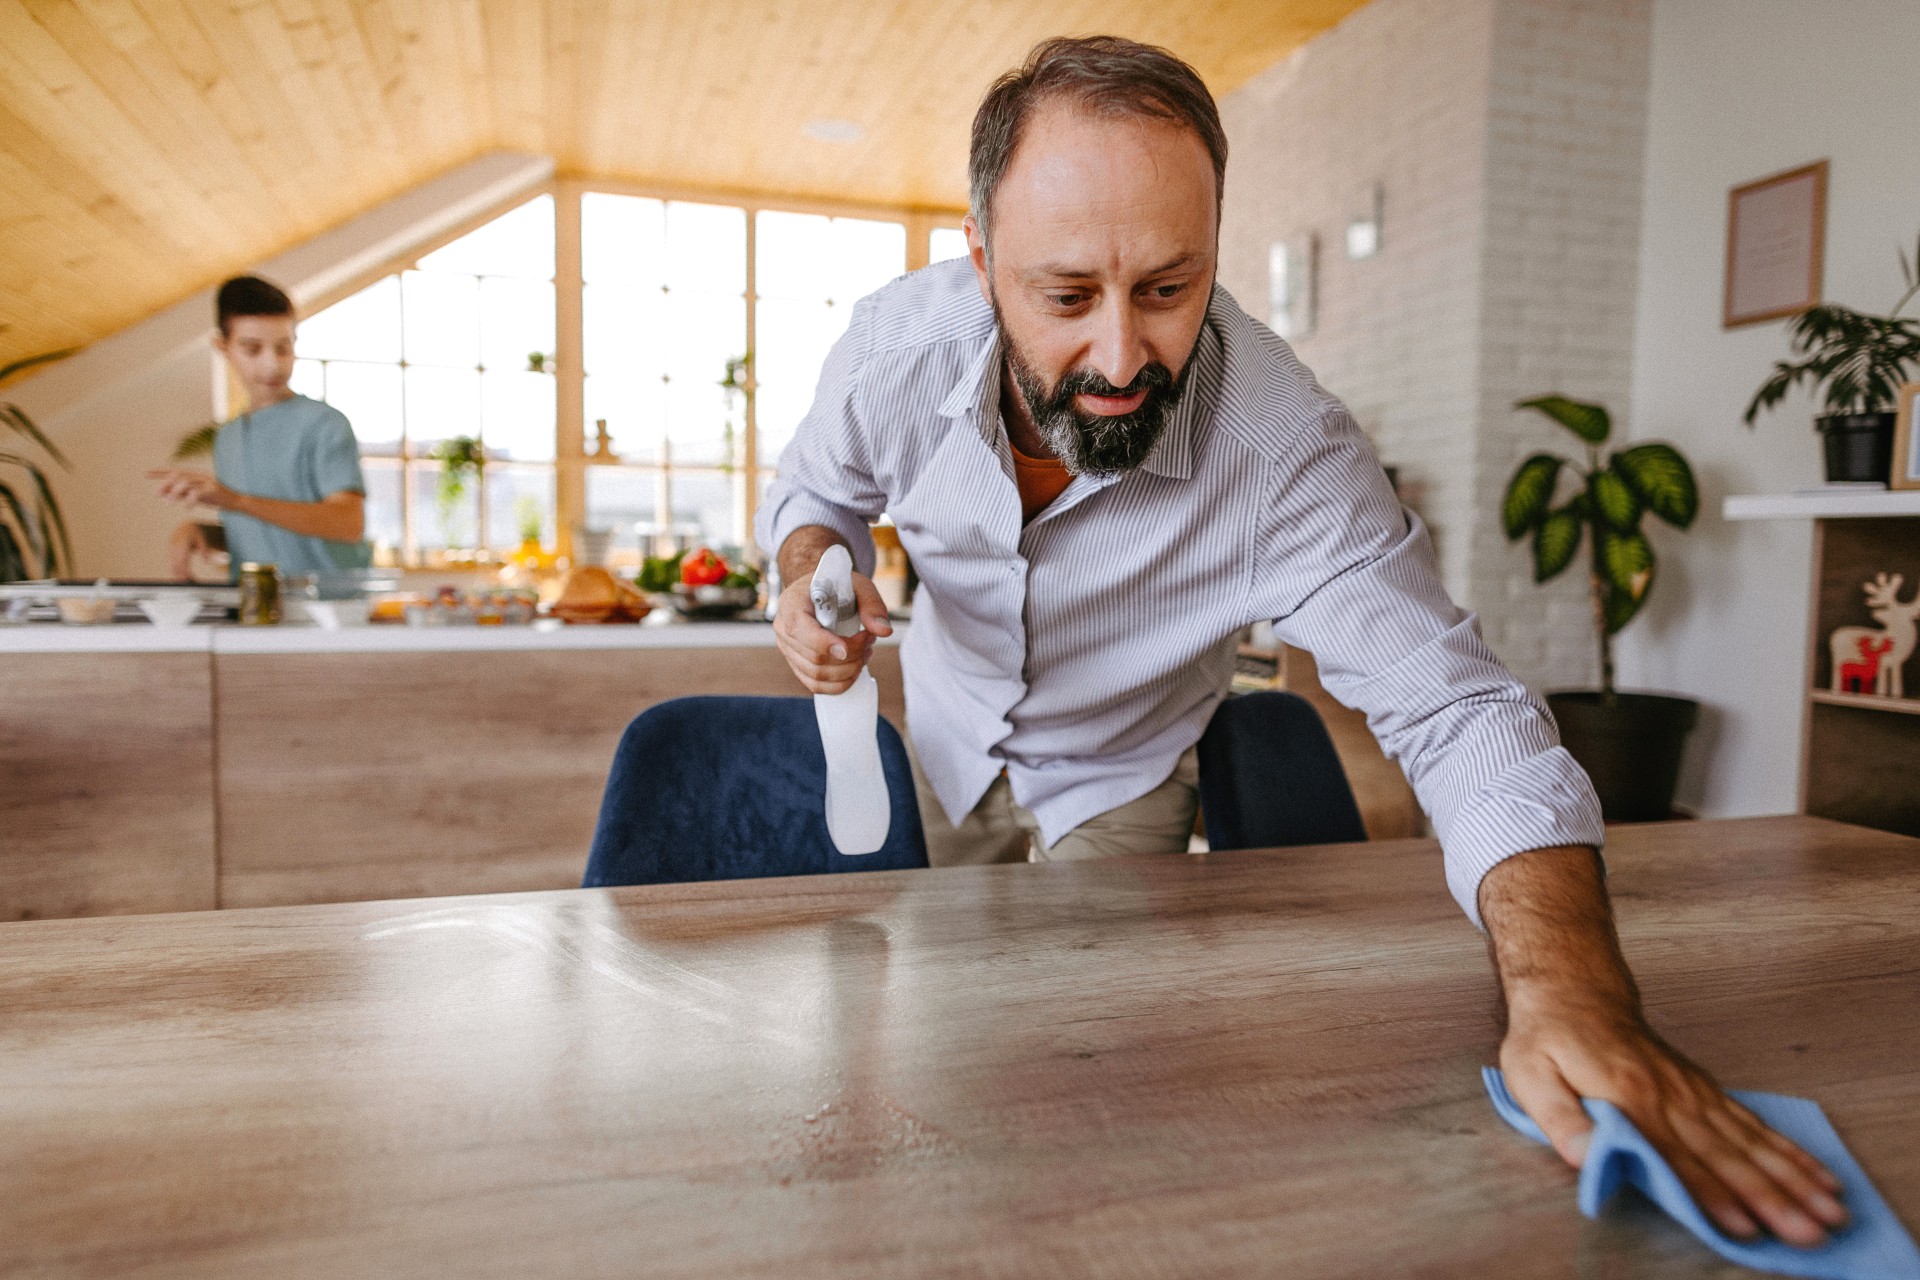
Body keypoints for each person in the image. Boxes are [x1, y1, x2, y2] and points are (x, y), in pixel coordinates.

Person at [759, 35, 1848, 1249]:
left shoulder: (1287, 451)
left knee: (1090, 1087)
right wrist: (807, 578)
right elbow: (818, 489)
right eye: (1066, 296)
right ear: (981, 264)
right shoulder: (892, 352)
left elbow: (1460, 712)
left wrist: (1577, 994)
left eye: (1169, 288)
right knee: (941, 1058)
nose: (1121, 357)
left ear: (1215, 249)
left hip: (1123, 777)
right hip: (946, 736)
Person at [152, 276, 369, 580]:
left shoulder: (324, 425)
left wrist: (235, 501)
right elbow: (260, 536)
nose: (272, 365)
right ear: (222, 347)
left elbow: (348, 524)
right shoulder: (227, 437)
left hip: (327, 614)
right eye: (253, 349)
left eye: (283, 348)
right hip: (256, 612)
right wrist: (203, 533)